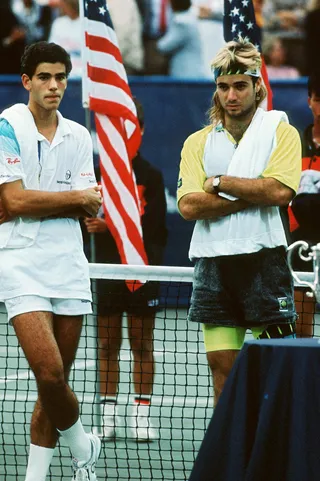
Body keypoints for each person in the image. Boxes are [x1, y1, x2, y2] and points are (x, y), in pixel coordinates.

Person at [177, 38, 301, 407]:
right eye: (223, 86)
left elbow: (280, 192)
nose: (231, 95)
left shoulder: (281, 132)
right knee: (223, 371)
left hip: (265, 262)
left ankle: (276, 458)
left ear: (257, 87)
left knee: (277, 371)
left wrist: (219, 184)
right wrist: (251, 192)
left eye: (240, 85)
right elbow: (188, 206)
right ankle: (232, 460)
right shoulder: (197, 143)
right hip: (214, 266)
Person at [0, 42, 102, 481]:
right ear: (27, 81)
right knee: (50, 370)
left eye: (61, 77)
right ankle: (84, 443)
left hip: (69, 264)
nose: (54, 85)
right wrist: (73, 199)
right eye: (44, 77)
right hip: (20, 260)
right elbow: (14, 200)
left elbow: (92, 205)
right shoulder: (7, 123)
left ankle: (34, 477)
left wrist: (68, 202)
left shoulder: (79, 135)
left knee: (51, 386)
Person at [84, 98, 167, 441]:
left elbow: (159, 230)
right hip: (106, 270)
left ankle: (141, 415)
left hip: (142, 271)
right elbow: (82, 219)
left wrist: (114, 227)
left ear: (141, 131)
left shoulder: (151, 176)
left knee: (141, 344)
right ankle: (108, 415)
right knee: (106, 345)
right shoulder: (96, 174)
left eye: (131, 128)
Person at [288, 72, 320, 338]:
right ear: (310, 101)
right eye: (319, 100)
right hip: (300, 251)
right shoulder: (293, 147)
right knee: (301, 331)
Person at [157, 0, 206, 78]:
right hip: (193, 71)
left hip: (185, 73)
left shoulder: (181, 22)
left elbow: (164, 46)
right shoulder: (190, 18)